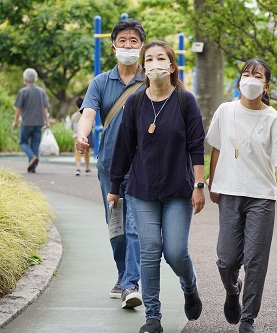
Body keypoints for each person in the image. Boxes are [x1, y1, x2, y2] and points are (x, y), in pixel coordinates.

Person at [107, 40, 205, 333]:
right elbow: (124, 146)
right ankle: (153, 317)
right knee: (149, 251)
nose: (154, 63)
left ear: (172, 66)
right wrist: (114, 185)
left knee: (175, 252)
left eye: (161, 58)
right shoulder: (135, 102)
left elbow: (196, 145)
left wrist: (199, 185)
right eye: (149, 59)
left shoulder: (186, 101)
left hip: (179, 190)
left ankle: (190, 287)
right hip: (142, 190)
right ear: (143, 66)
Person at [205, 58, 277, 333]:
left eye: (257, 76)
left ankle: (248, 319)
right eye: (246, 73)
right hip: (230, 193)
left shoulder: (272, 117)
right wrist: (212, 184)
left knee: (256, 259)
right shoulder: (225, 111)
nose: (251, 79)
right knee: (227, 259)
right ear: (239, 80)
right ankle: (233, 290)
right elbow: (217, 149)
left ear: (265, 85)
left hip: (262, 197)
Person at [76, 19, 145, 309]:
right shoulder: (101, 82)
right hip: (109, 166)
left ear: (141, 46)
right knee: (115, 226)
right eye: (123, 40)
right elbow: (89, 113)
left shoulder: (151, 81)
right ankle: (123, 275)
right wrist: (82, 133)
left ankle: (131, 284)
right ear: (113, 45)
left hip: (143, 167)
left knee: (134, 225)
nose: (128, 46)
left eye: (134, 41)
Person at [12, 68, 50, 173]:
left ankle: (31, 157)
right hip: (39, 123)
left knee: (23, 142)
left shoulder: (23, 92)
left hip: (27, 122)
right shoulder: (41, 92)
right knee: (35, 145)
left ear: (25, 79)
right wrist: (47, 121)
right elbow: (45, 108)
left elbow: (18, 109)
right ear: (35, 79)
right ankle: (33, 166)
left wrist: (15, 122)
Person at [71, 97, 93, 176]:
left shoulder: (74, 116)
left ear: (76, 106)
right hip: (87, 135)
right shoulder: (87, 114)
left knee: (77, 152)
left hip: (77, 135)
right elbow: (92, 124)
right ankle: (87, 168)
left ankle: (78, 168)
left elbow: (72, 126)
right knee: (87, 152)